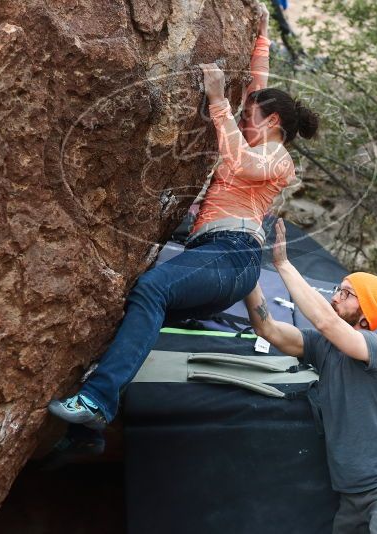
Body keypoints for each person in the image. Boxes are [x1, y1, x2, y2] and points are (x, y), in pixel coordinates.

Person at [48, 4, 320, 428]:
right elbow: (257, 86)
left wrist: (217, 103)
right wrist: (262, 37)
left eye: (251, 117)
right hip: (219, 261)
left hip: (232, 256)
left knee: (152, 291)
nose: (244, 119)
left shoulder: (278, 158)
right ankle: (89, 434)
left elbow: (243, 161)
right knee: (134, 316)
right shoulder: (261, 135)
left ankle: (98, 403)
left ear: (273, 122)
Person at [244, 218, 377, 534]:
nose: (336, 295)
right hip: (350, 497)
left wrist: (282, 263)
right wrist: (248, 272)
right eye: (339, 288)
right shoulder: (321, 346)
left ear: (367, 316)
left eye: (348, 293)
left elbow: (326, 322)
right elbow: (267, 328)